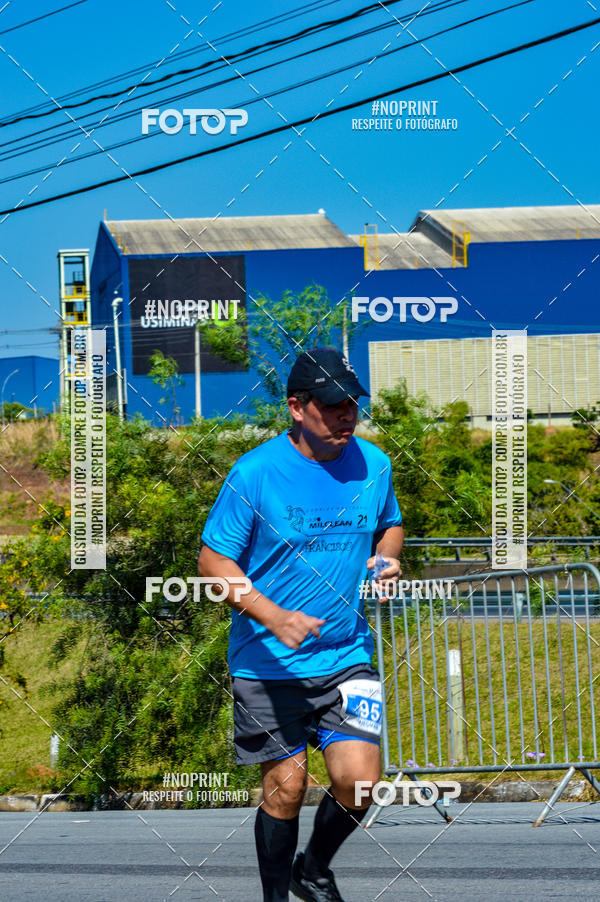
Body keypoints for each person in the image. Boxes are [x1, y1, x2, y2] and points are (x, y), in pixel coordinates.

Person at [198, 346, 403, 902]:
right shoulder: (256, 473)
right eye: (333, 405)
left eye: (352, 405)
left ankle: (312, 868)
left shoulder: (374, 464)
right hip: (267, 661)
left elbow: (389, 526)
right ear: (297, 406)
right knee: (285, 789)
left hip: (346, 655)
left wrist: (387, 559)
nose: (346, 416)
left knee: (359, 782)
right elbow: (213, 563)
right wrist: (273, 615)